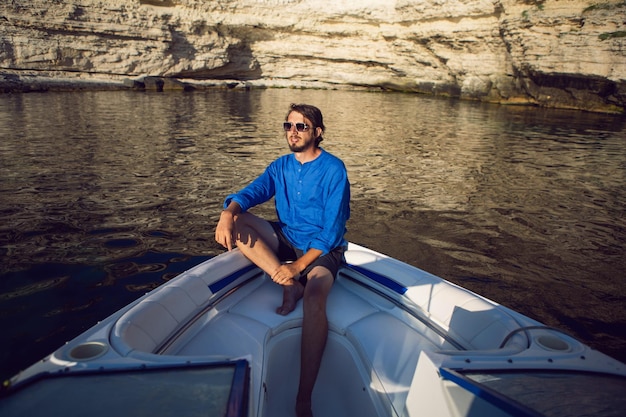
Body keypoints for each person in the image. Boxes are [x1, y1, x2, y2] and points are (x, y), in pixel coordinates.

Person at [215, 103, 350, 417]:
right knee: (240, 221)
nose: (293, 132)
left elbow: (332, 229)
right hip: (289, 237)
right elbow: (254, 191)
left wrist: (299, 267)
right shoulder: (280, 166)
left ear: (317, 132)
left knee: (315, 299)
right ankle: (287, 283)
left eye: (301, 127)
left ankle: (304, 397)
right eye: (288, 125)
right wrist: (227, 213)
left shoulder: (334, 169)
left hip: (322, 249)